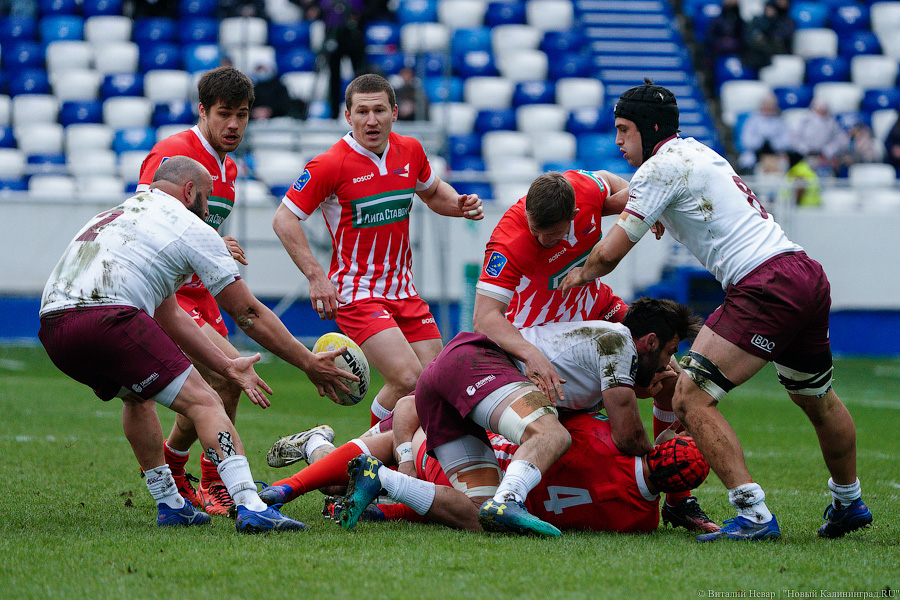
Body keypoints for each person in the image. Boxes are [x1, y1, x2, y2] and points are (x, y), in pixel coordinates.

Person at [559, 79, 873, 542]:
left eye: (624, 130)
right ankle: (848, 501)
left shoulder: (660, 169)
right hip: (803, 273)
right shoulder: (697, 153)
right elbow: (638, 200)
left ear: (647, 129)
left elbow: (608, 255)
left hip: (764, 285)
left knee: (689, 396)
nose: (618, 141)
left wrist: (573, 277)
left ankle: (754, 515)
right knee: (817, 399)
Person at [38, 157, 356, 532]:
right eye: (206, 199)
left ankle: (170, 503)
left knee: (136, 398)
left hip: (54, 327)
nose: (208, 210)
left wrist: (225, 365)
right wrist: (306, 362)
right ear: (190, 191)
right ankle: (251, 506)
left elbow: (170, 314)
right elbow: (247, 313)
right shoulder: (190, 226)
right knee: (205, 401)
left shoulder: (118, 214)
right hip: (108, 315)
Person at [472, 170, 719, 533]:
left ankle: (678, 499)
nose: (540, 239)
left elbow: (619, 187)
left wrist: (648, 212)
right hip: (542, 332)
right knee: (579, 412)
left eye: (550, 234)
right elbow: (484, 318)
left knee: (673, 377)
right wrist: (530, 354)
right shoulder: (511, 239)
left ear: (573, 216)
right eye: (535, 230)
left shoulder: (583, 191)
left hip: (594, 308)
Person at [272, 73, 484, 427]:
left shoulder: (410, 150)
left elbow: (433, 193)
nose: (371, 120)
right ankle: (371, 451)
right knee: (408, 379)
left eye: (380, 111)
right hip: (358, 292)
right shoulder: (330, 164)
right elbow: (284, 219)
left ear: (395, 113)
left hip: (404, 289)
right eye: (362, 112)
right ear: (348, 116)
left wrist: (459, 204)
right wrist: (317, 277)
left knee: (434, 382)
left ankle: (382, 458)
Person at [260, 407, 711, 534]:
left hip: (477, 459)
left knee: (405, 418)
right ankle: (379, 486)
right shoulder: (642, 521)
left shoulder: (601, 437)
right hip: (484, 480)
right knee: (403, 422)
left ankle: (306, 468)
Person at [136, 66, 256, 517]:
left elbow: (200, 227)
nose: (233, 125)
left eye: (241, 115)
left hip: (200, 293)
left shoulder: (231, 167)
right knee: (228, 374)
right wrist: (208, 240)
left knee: (222, 385)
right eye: (224, 114)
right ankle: (215, 483)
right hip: (170, 293)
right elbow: (145, 217)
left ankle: (177, 464)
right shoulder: (172, 154)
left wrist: (214, 243)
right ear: (202, 111)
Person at [790, 98, 850, 177]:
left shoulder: (832, 122)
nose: (821, 111)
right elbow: (794, 138)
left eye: (824, 109)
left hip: (825, 157)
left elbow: (840, 140)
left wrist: (827, 151)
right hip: (804, 155)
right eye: (819, 108)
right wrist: (805, 150)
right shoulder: (804, 120)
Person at [738, 92, 792, 172]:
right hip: (756, 152)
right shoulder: (752, 120)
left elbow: (787, 141)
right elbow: (745, 141)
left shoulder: (780, 121)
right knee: (747, 159)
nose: (768, 108)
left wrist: (773, 142)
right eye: (766, 105)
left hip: (775, 152)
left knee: (784, 162)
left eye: (771, 106)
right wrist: (761, 140)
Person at [741, 0, 794, 71]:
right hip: (760, 50)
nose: (769, 11)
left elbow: (779, 38)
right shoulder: (758, 20)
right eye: (767, 9)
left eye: (772, 9)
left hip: (777, 49)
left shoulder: (785, 22)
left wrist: (771, 21)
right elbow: (749, 36)